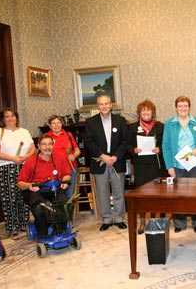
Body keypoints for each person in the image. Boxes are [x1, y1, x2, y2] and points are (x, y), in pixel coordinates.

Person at [162, 95, 196, 233]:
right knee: (178, 195)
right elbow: (165, 146)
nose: (183, 108)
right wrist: (169, 166)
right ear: (176, 108)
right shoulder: (169, 124)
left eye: (185, 106)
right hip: (177, 165)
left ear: (189, 107)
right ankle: (179, 223)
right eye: (180, 106)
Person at [0, 108, 36, 240]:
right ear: (3, 119)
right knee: (9, 199)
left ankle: (24, 224)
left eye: (12, 116)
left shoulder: (24, 131)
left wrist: (25, 156)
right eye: (7, 116)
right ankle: (12, 228)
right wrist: (12, 158)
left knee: (24, 196)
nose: (10, 118)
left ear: (16, 117)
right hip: (7, 168)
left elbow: (33, 148)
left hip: (24, 166)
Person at [84, 95, 128, 231]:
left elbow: (125, 141)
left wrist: (115, 156)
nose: (104, 106)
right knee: (102, 191)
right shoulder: (91, 122)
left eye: (106, 103)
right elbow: (89, 142)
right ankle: (107, 218)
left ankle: (119, 217)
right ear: (98, 106)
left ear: (111, 105)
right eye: (101, 104)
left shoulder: (120, 121)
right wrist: (102, 156)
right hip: (100, 162)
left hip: (117, 160)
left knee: (118, 190)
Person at [17, 135, 71, 239]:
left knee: (63, 201)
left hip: (53, 188)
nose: (47, 147)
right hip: (35, 190)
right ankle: (43, 234)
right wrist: (28, 185)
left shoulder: (59, 158)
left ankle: (61, 230)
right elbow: (20, 183)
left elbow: (66, 174)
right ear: (38, 146)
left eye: (50, 144)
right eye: (44, 144)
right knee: (39, 207)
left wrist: (65, 181)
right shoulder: (30, 162)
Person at [127, 99, 167, 234]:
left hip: (156, 165)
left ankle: (154, 220)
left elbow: (166, 144)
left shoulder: (160, 126)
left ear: (153, 112)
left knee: (157, 195)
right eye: (143, 110)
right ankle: (143, 221)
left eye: (148, 110)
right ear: (139, 113)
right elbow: (126, 144)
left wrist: (159, 149)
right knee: (142, 195)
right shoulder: (132, 127)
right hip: (141, 166)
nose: (146, 112)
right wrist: (133, 150)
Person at [44, 115, 81, 198]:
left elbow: (78, 150)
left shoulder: (68, 135)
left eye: (58, 122)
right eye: (54, 123)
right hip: (53, 169)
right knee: (55, 192)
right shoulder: (46, 137)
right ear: (49, 125)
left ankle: (69, 210)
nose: (56, 125)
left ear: (62, 124)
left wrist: (74, 155)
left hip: (70, 167)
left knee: (70, 192)